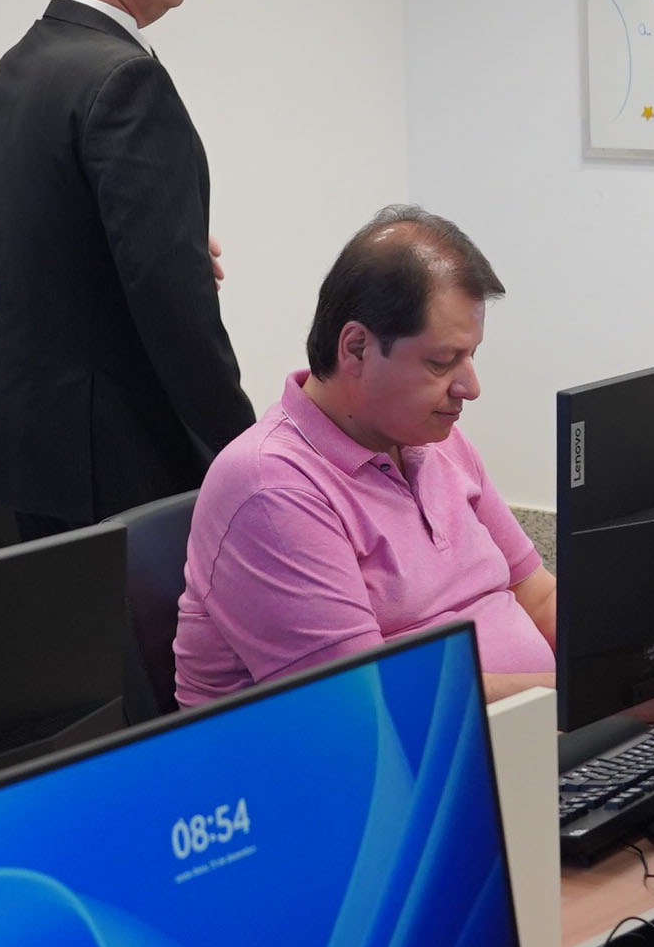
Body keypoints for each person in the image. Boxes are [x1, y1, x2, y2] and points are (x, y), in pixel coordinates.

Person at [171, 209, 559, 706]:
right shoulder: (272, 488)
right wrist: (573, 696)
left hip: (520, 728)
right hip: (387, 749)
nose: (470, 387)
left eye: (471, 356)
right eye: (442, 362)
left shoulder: (435, 440)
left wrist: (634, 665)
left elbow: (538, 596)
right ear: (356, 348)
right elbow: (370, 700)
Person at [0, 0, 255, 536]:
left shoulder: (22, 63)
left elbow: (58, 238)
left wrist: (171, 238)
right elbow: (174, 305)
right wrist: (245, 451)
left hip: (42, 450)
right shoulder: (124, 79)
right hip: (123, 455)